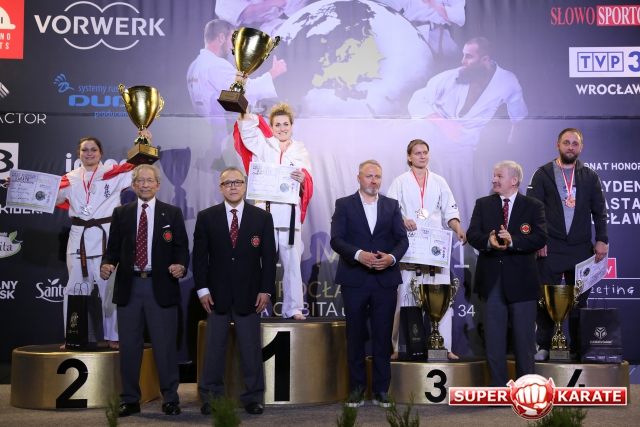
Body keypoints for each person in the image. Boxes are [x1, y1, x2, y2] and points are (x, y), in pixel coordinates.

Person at [7, 133, 150, 349]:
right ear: (78, 153)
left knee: (110, 289)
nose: (89, 153)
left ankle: (115, 337)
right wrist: (20, 187)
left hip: (107, 238)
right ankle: (73, 336)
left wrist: (145, 142)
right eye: (85, 150)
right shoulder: (69, 178)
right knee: (74, 288)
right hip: (79, 239)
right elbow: (47, 196)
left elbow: (139, 169)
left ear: (101, 153)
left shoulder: (113, 173)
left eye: (93, 149)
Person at [100, 164, 189, 417]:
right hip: (130, 286)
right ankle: (130, 398)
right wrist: (107, 263)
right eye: (141, 180)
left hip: (160, 286)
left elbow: (182, 248)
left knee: (165, 347)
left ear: (158, 185)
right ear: (133, 185)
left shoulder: (172, 213)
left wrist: (181, 265)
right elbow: (113, 248)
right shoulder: (121, 213)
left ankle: (170, 398)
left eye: (150, 181)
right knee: (129, 346)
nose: (145, 184)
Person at [408, 37, 528, 220]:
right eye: (463, 55)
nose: (463, 61)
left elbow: (518, 113)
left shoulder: (506, 81)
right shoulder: (451, 77)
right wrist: (444, 124)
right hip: (431, 137)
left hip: (463, 147)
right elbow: (418, 100)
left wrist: (514, 137)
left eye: (469, 56)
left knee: (460, 203)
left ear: (485, 59)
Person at [194, 167, 276, 415]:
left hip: (250, 294)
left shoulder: (261, 217)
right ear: (220, 188)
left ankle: (253, 397)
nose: (232, 186)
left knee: (251, 349)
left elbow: (268, 258)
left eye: (237, 182)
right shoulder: (206, 217)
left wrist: (266, 290)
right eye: (227, 183)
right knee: (214, 349)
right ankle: (211, 397)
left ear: (244, 186)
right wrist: (202, 290)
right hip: (215, 295)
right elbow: (199, 258)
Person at [330, 160, 409, 407]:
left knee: (383, 337)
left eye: (377, 177)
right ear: (359, 178)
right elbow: (336, 239)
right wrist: (358, 255)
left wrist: (391, 258)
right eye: (369, 176)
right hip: (355, 278)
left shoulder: (392, 205)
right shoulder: (344, 204)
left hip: (385, 280)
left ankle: (381, 390)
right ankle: (356, 390)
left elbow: (402, 240)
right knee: (355, 336)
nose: (373, 181)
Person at [526, 128, 608, 361]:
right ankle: (543, 346)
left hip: (581, 249)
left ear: (581, 147)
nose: (570, 147)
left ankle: (577, 348)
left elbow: (600, 211)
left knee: (579, 302)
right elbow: (533, 210)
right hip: (550, 247)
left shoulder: (590, 176)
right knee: (544, 300)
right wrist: (539, 239)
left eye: (575, 143)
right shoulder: (542, 173)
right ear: (558, 145)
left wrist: (602, 239)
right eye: (566, 143)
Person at [467, 161, 547, 387]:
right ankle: (498, 390)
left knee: (524, 343)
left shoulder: (533, 206)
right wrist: (489, 241)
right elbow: (473, 234)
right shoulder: (483, 204)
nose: (494, 180)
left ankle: (526, 389)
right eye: (494, 176)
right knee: (494, 342)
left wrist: (513, 241)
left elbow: (540, 238)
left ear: (514, 180)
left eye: (499, 176)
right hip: (492, 283)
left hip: (522, 284)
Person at [387, 139, 466, 360]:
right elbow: (390, 212)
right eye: (417, 153)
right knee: (405, 296)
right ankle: (399, 345)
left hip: (435, 248)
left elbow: (450, 212)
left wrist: (458, 229)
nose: (422, 156)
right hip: (410, 246)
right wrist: (403, 220)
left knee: (440, 297)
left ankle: (444, 346)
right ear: (409, 157)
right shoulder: (399, 182)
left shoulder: (439, 182)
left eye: (425, 152)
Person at [235, 102, 313, 319]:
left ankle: (293, 308)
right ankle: (256, 307)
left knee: (292, 263)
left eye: (285, 124)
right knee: (260, 262)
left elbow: (307, 178)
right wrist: (243, 108)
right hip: (264, 213)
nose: (282, 128)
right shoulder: (263, 144)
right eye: (277, 124)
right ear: (270, 126)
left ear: (292, 126)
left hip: (289, 214)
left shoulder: (299, 149)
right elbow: (247, 133)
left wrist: (303, 178)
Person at [186, 19, 287, 159]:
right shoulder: (216, 65)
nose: (232, 46)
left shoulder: (194, 66)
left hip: (206, 136)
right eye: (232, 39)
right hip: (224, 139)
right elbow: (245, 92)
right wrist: (275, 72)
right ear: (221, 37)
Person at [380, 0, 466, 68]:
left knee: (453, 67)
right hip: (413, 34)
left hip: (438, 34)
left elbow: (459, 17)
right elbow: (388, 4)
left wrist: (432, 3)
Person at [215, 0, 316, 34]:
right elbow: (242, 13)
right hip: (247, 35)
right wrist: (273, 2)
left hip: (278, 21)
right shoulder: (224, 4)